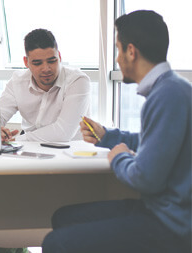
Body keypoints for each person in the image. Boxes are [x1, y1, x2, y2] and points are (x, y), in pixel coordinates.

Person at [42, 10, 191, 253]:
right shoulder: (172, 89)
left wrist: (119, 157)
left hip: (172, 225)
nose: (117, 59)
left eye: (118, 50)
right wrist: (108, 137)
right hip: (162, 211)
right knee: (63, 216)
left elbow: (145, 179)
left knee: (54, 243)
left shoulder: (167, 96)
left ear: (131, 52)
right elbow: (151, 142)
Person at [0, 28, 90, 142]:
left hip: (70, 152)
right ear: (26, 62)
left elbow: (63, 132)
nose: (46, 69)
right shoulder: (17, 82)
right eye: (37, 63)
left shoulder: (78, 81)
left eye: (52, 61)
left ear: (60, 57)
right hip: (31, 151)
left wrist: (16, 140)